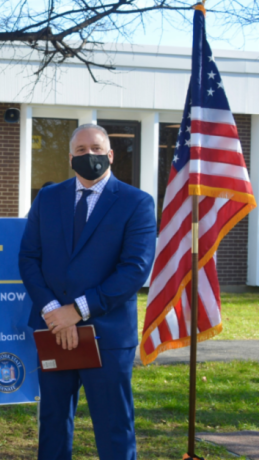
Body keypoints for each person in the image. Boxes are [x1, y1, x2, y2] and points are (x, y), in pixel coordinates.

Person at [18, 123, 156, 459]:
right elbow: (29, 257)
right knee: (52, 423)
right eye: (81, 151)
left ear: (110, 154)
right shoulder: (48, 198)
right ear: (70, 157)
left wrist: (75, 311)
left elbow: (134, 269)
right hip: (53, 329)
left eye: (96, 149)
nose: (89, 156)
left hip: (105, 335)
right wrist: (54, 311)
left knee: (113, 426)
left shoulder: (136, 203)